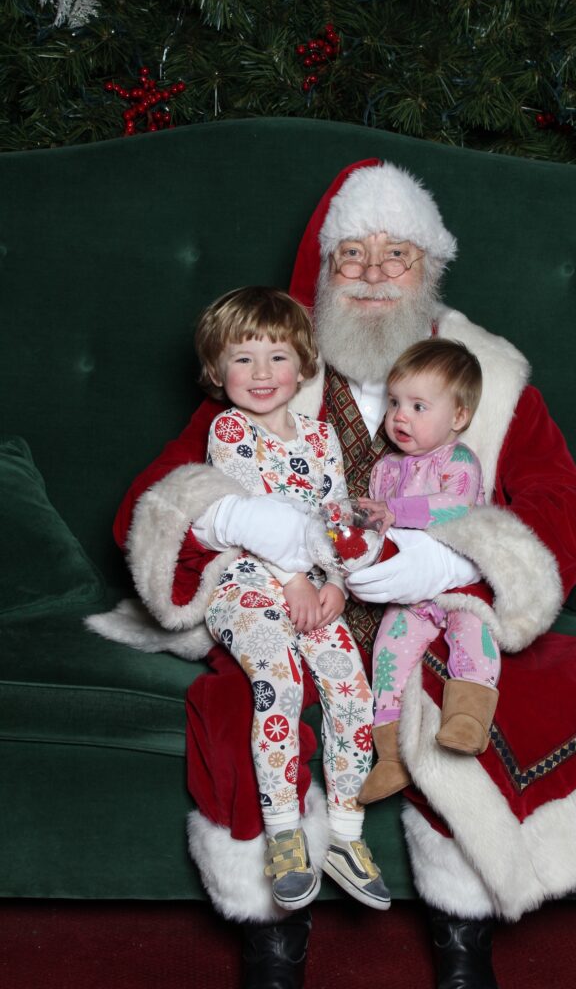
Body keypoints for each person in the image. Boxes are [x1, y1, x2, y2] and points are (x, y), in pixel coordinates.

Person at [113, 159, 576, 989]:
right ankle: (272, 950)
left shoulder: (482, 375)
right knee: (249, 700)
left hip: (427, 610)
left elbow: (570, 503)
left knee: (484, 700)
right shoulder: (272, 365)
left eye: (399, 255)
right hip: (294, 604)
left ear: (430, 269)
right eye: (352, 254)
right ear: (322, 268)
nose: (375, 274)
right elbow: (158, 494)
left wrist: (457, 555)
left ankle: (464, 947)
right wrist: (241, 519)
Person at [195, 285, 389, 912]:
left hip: (314, 590)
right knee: (278, 683)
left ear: (303, 365)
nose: (261, 374)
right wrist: (294, 580)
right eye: (243, 358)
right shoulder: (229, 427)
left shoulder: (321, 437)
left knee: (353, 691)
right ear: (217, 369)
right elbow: (255, 514)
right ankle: (285, 835)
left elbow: (334, 519)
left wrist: (334, 582)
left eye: (277, 357)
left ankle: (346, 836)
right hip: (250, 589)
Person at [354, 337, 500, 808]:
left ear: (457, 417)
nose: (400, 416)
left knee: (474, 635)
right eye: (395, 403)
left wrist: (392, 511)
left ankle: (468, 719)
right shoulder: (385, 468)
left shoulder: (458, 461)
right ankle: (390, 753)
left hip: (460, 585)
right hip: (410, 597)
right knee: (388, 652)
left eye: (419, 406)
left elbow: (453, 507)